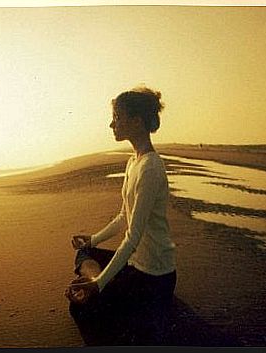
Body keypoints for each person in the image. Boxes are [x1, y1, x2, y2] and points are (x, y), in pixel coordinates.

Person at [65, 86, 177, 343]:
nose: (111, 124)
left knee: (80, 307)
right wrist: (93, 239)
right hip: (133, 265)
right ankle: (98, 280)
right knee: (84, 251)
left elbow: (133, 236)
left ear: (136, 122)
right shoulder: (133, 161)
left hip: (154, 276)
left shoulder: (150, 168)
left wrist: (98, 284)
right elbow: (124, 216)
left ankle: (102, 287)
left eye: (117, 117)